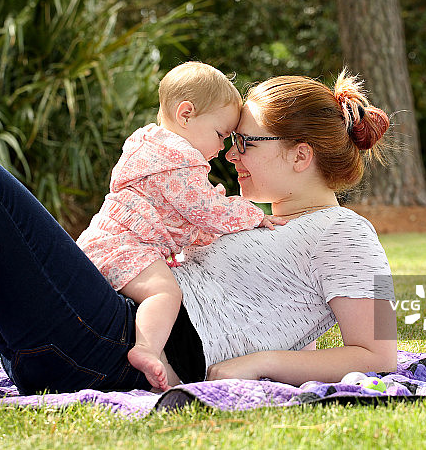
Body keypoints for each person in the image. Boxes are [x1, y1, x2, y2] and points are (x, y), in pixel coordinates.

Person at [0, 69, 397, 407]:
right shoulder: (246, 216)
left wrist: (257, 365)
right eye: (232, 140)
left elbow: (378, 354)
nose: (230, 156)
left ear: (300, 156)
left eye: (246, 142)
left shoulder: (350, 234)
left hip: (126, 353)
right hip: (108, 331)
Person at [76, 61, 283, 391]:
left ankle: (156, 361)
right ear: (186, 114)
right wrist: (254, 215)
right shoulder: (178, 159)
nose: (223, 149)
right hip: (128, 245)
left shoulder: (149, 146)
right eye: (221, 135)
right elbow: (206, 211)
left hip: (106, 239)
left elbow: (186, 222)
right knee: (165, 292)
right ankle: (146, 350)